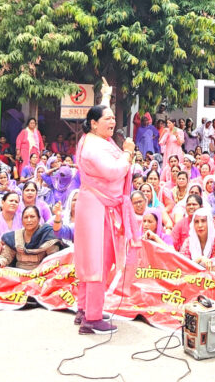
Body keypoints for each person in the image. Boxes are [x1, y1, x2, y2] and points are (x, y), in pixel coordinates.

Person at [73, 83, 139, 335]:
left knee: (91, 260)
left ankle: (83, 309)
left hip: (97, 205)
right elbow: (114, 172)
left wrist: (107, 96)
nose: (112, 122)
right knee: (97, 262)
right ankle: (92, 318)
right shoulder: (92, 147)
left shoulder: (96, 138)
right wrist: (127, 154)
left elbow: (102, 111)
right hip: (96, 208)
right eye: (107, 119)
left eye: (113, 118)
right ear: (93, 123)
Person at [0, 206, 63, 270]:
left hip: (41, 275)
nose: (29, 220)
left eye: (32, 217)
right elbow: (6, 257)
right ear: (22, 220)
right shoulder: (14, 236)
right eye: (26, 217)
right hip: (18, 275)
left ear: (39, 219)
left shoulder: (47, 235)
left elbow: (53, 259)